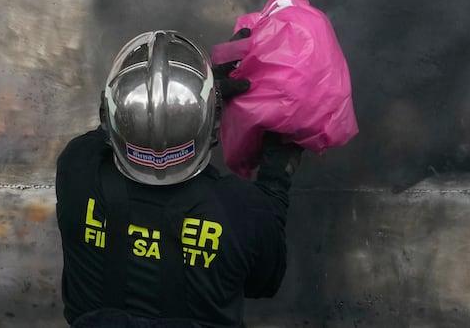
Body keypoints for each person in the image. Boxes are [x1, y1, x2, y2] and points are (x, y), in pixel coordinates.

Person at [54, 30, 298, 327]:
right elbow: (264, 284)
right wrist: (275, 186)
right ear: (214, 121)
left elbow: (107, 129)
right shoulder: (246, 210)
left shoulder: (77, 169)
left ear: (107, 112)